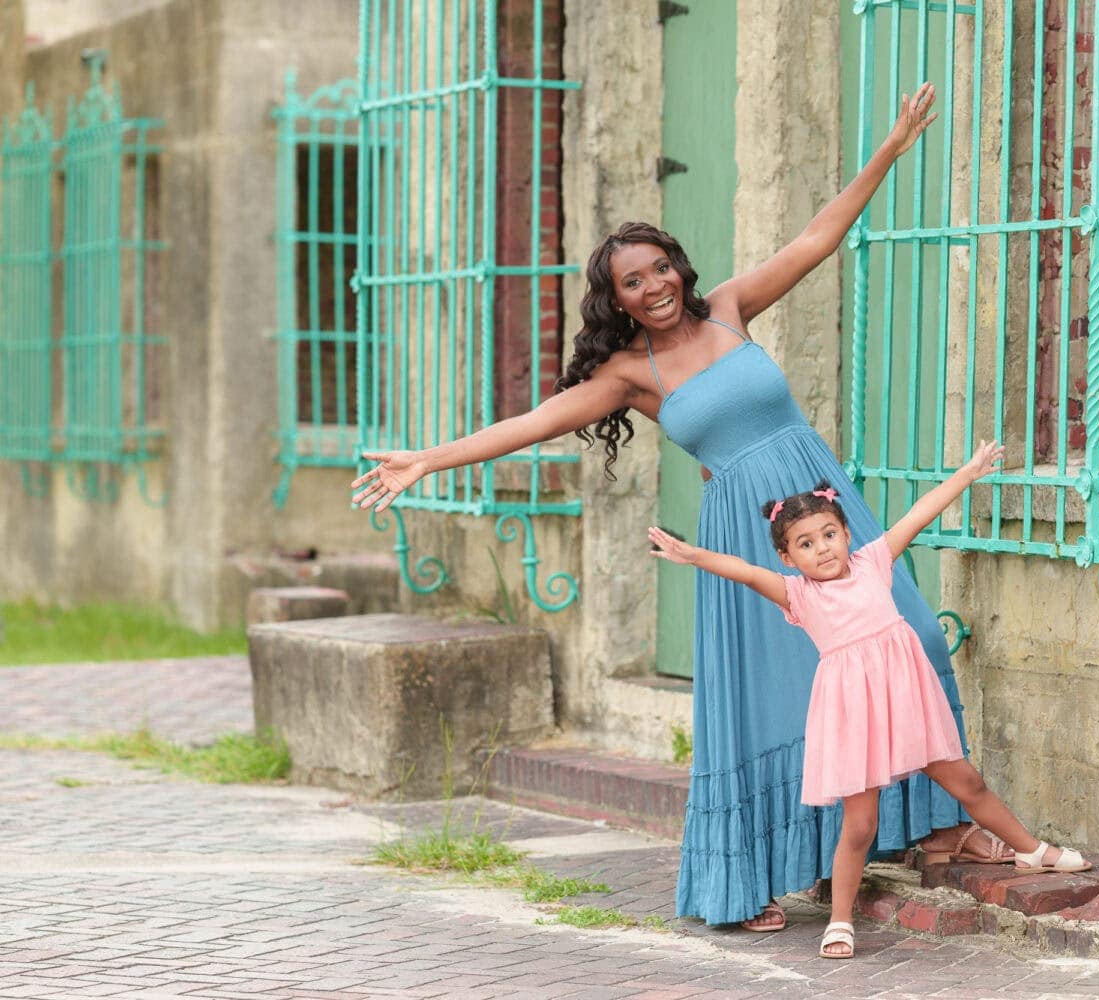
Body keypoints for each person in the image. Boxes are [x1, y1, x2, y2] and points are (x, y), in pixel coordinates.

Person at [351, 82, 1013, 931]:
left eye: (661, 267)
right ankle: (751, 883)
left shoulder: (730, 309)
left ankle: (941, 826)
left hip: (823, 499)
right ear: (616, 299)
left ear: (679, 267)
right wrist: (427, 459)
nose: (654, 285)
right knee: (777, 695)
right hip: (746, 527)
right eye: (633, 280)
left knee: (908, 638)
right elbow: (531, 423)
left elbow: (818, 238)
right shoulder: (629, 375)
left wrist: (886, 151)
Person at [648, 441, 1091, 959]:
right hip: (856, 718)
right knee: (860, 824)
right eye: (806, 544)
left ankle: (1032, 850)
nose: (824, 549)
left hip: (908, 703)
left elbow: (917, 515)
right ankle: (839, 920)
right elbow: (745, 572)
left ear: (847, 532)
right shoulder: (800, 595)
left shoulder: (874, 562)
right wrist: (692, 555)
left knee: (967, 780)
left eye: (829, 534)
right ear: (788, 557)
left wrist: (968, 473)